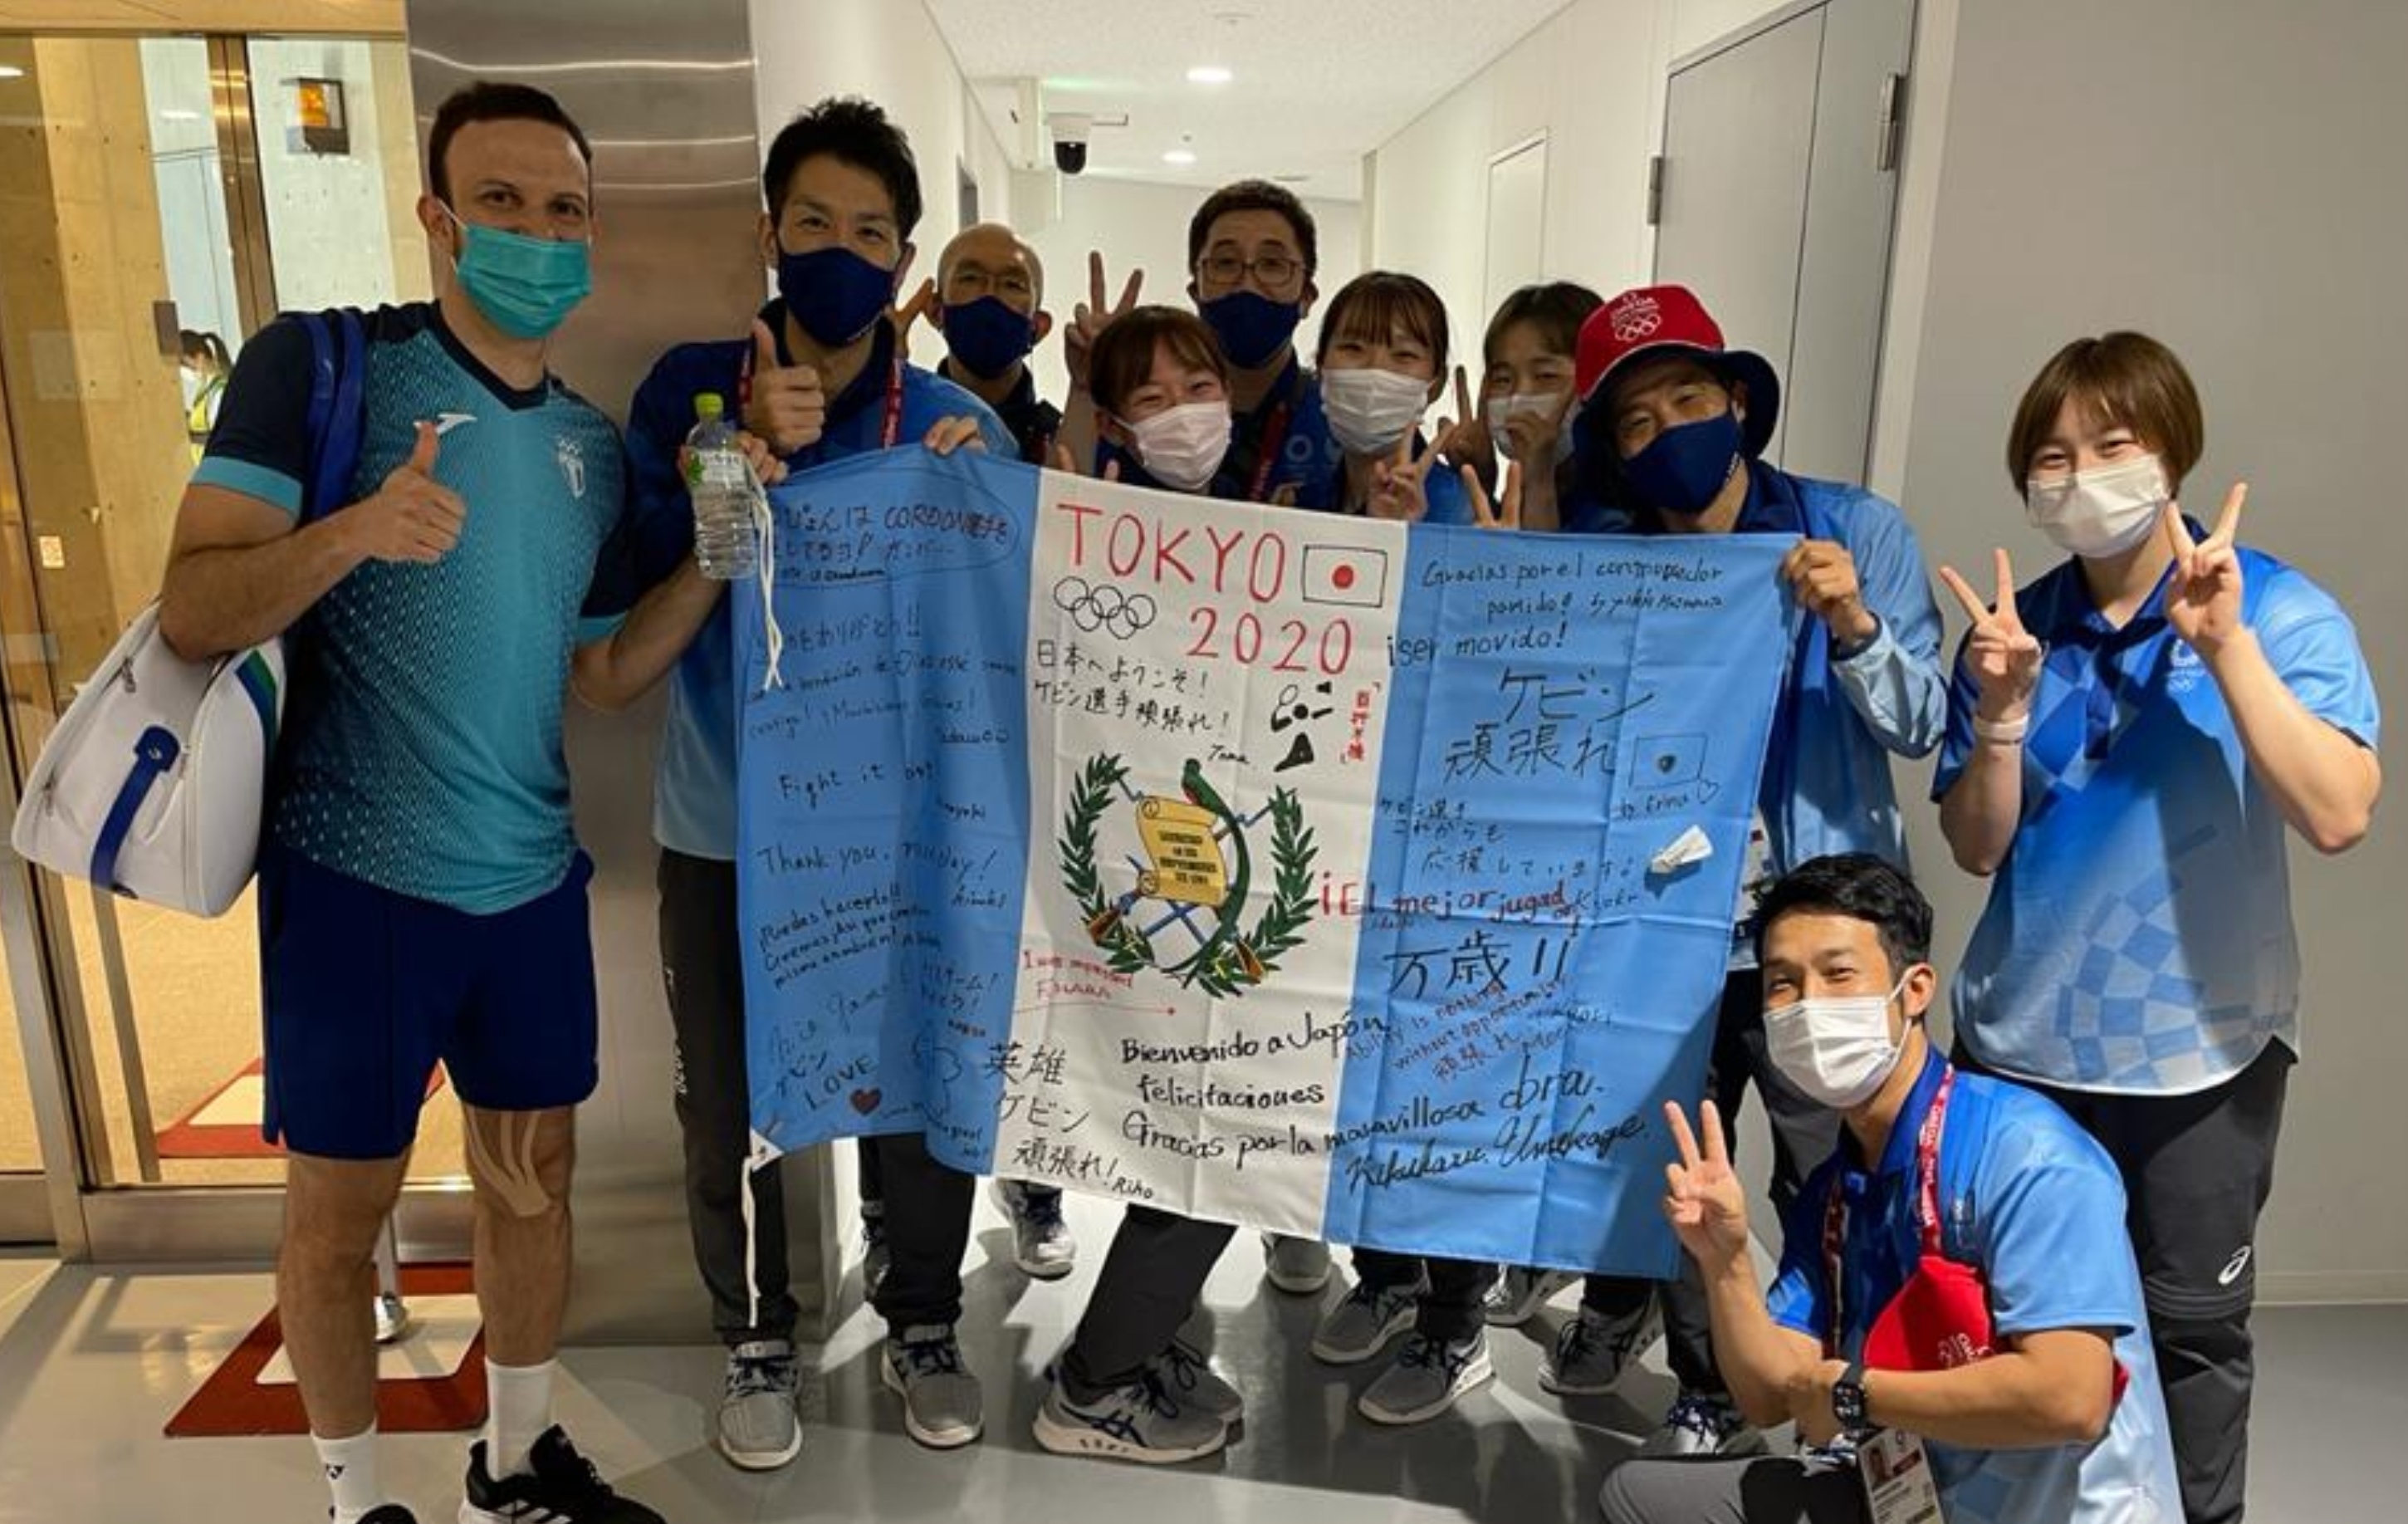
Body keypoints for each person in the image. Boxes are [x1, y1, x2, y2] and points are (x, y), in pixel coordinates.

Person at [158, 82, 661, 1524]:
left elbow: (608, 677)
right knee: (340, 1212)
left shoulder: (591, 446)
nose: (537, 234)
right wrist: (358, 533)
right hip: (353, 879)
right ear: (436, 218)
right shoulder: (328, 370)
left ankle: (513, 1461)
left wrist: (719, 554)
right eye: (500, 202)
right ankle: (353, 1500)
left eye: (564, 209)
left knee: (535, 1175)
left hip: (526, 887)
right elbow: (192, 608)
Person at [577, 96, 1009, 1469]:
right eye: (813, 222)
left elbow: (1003, 633)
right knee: (732, 1099)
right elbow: (655, 594)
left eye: (869, 231)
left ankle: (925, 1321)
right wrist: (739, 458)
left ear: (905, 258)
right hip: (725, 826)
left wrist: (984, 494)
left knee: (920, 1081)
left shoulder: (948, 418)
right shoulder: (687, 390)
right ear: (769, 231)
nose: (840, 249)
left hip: (909, 834)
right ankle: (758, 1341)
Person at [1933, 332, 2380, 1524]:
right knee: (2008, 1322)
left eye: (2113, 445)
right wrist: (2000, 718)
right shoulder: (2013, 630)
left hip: (2199, 1055)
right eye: (2051, 455)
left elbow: (2338, 812)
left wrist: (2223, 644)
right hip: (2017, 1047)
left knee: (2188, 1337)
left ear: (2174, 450)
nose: (2081, 475)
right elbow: (1977, 844)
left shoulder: (2278, 609)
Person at [1531, 284, 1945, 1459]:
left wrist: (1856, 625)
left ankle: (1859, 1385)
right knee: (1686, 1166)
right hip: (1667, 928)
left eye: (1689, 399)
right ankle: (1710, 1385)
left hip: (1825, 929)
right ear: (1615, 451)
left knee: (1846, 1167)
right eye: (1637, 421)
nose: (1670, 430)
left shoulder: (1852, 529)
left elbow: (1922, 725)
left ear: (1738, 403)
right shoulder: (1616, 565)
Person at [1598, 854, 2182, 1524]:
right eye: (1782, 983)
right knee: (1639, 1495)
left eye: (1838, 973)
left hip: (2053, 1511)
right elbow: (1769, 1396)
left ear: (1915, 988)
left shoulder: (2027, 1153)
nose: (1808, 1004)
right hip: (1913, 1493)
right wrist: (1724, 1258)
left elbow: (2071, 1396)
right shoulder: (1835, 1192)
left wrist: (1854, 1395)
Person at [1031, 306, 1251, 1466]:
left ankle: (1133, 1341)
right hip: (1127, 908)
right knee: (1204, 1149)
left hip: (1231, 905)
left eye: (1197, 383)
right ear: (1115, 421)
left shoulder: (1256, 541)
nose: (1182, 412)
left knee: (1214, 1143)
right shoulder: (1090, 529)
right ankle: (1094, 1384)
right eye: (1149, 396)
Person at [1065, 178, 1345, 514]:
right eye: (1226, 263)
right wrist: (1088, 384)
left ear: (1307, 296)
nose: (1247, 283)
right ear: (1195, 291)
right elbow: (1061, 499)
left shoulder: (1337, 417)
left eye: (1272, 264)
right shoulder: (1132, 420)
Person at [1308, 269, 1475, 527]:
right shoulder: (1305, 500)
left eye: (1404, 355)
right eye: (1353, 348)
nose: (1376, 368)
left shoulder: (1458, 513)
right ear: (1320, 367)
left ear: (1435, 384)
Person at [1449, 281, 1603, 543]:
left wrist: (1538, 478)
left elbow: (1540, 575)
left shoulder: (1614, 512)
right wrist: (1482, 480)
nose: (1518, 396)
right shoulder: (1514, 489)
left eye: (1546, 375)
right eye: (1502, 379)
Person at [179, 328, 231, 463]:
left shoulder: (220, 390)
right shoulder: (206, 389)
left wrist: (189, 435)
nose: (183, 371)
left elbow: (222, 435)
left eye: (184, 364)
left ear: (200, 358)